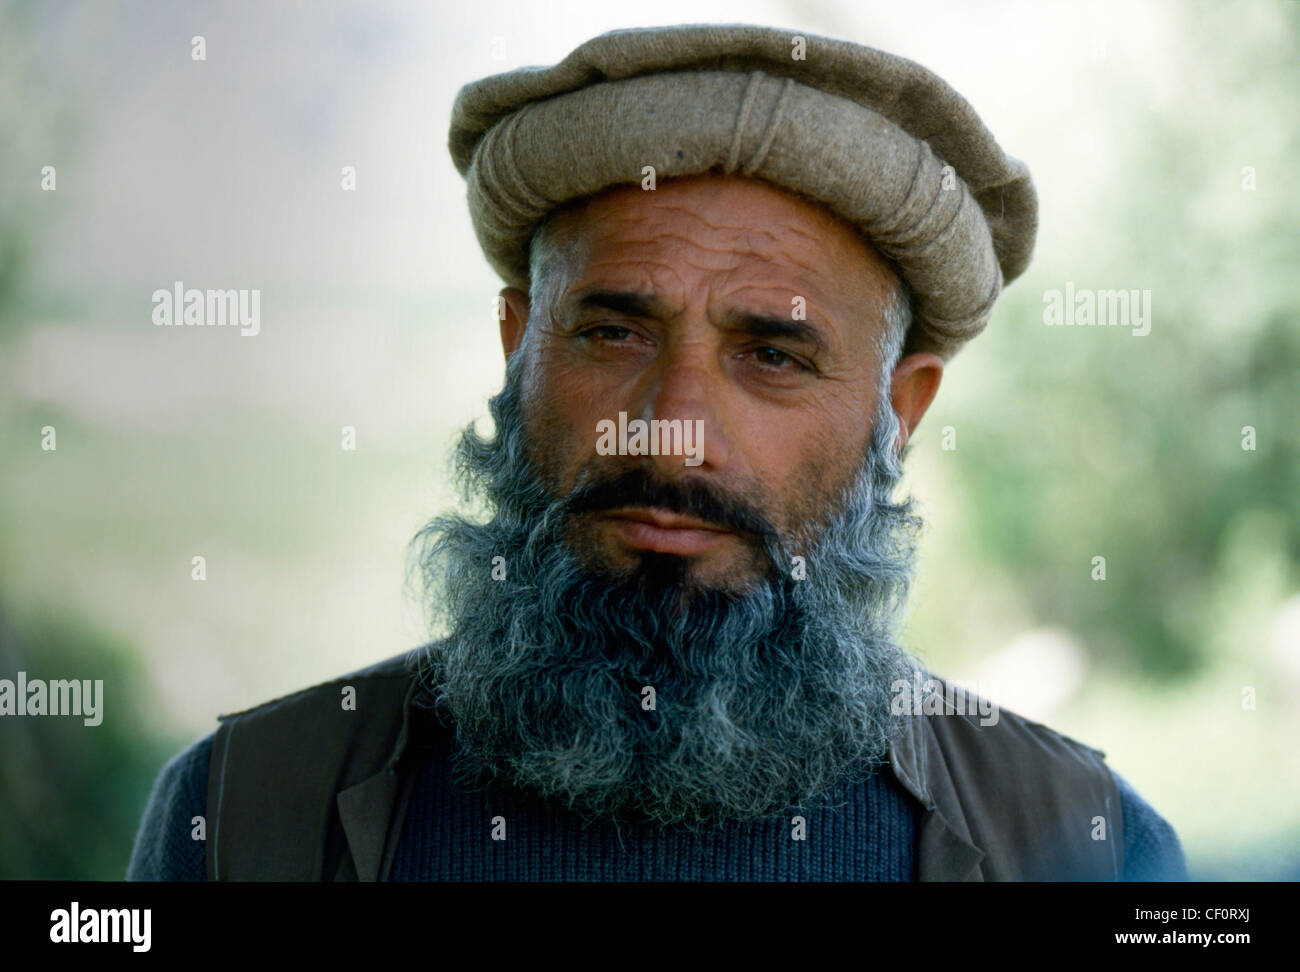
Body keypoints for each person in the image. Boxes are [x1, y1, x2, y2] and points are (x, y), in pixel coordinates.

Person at [128, 23, 1186, 881]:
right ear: (517, 349)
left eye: (771, 354)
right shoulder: (245, 817)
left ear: (895, 411)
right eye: (614, 332)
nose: (672, 423)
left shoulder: (1079, 848)